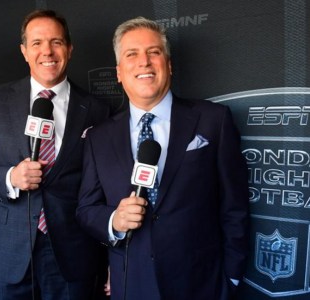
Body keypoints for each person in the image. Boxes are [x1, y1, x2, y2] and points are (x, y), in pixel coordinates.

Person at [76, 16, 249, 300]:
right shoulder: (98, 137)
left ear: (168, 65)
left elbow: (235, 207)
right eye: (132, 54)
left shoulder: (212, 121)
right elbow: (86, 209)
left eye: (153, 52)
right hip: (131, 284)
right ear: (119, 72)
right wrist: (114, 220)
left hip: (201, 283)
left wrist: (231, 276)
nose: (143, 62)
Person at [0, 9, 110, 300]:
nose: (47, 52)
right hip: (9, 254)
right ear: (24, 51)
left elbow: (105, 185)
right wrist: (10, 177)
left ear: (69, 49)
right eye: (37, 43)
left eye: (56, 42)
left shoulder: (97, 109)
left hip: (73, 254)